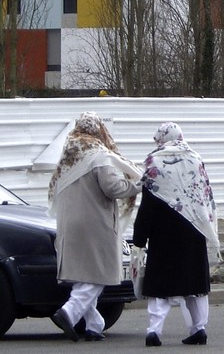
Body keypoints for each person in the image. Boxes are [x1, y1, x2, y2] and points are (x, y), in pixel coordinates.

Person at [48, 111, 142, 342]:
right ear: (99, 129)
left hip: (68, 221)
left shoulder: (68, 156)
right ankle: (69, 312)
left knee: (83, 272)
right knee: (99, 273)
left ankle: (93, 325)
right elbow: (113, 188)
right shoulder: (98, 155)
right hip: (94, 221)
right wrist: (137, 186)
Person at [133, 122, 220, 347]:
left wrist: (140, 238)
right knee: (195, 285)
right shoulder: (196, 159)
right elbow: (206, 197)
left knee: (159, 285)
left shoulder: (154, 161)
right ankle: (199, 329)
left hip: (164, 232)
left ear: (161, 138)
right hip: (194, 228)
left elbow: (148, 204)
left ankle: (154, 331)